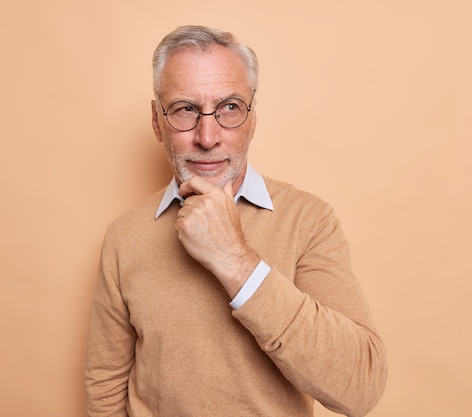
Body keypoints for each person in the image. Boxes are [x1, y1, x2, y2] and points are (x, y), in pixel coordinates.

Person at [85, 25, 387, 417]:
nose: (207, 137)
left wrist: (234, 260)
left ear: (252, 118)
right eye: (185, 109)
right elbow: (105, 388)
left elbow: (360, 388)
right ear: (157, 121)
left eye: (229, 107)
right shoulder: (124, 237)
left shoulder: (309, 221)